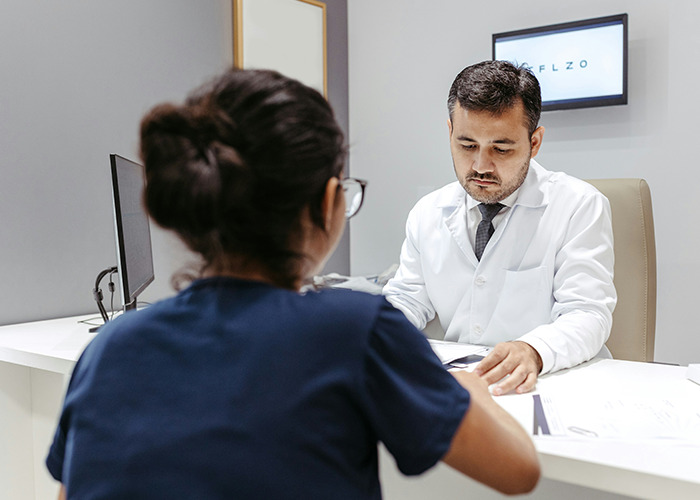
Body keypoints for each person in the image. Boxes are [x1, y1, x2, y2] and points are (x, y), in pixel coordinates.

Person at [46, 68, 539, 499]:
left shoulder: (110, 347)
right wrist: (469, 391)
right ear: (329, 203)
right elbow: (519, 470)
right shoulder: (355, 331)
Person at [383, 60, 616, 396]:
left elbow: (587, 313)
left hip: (554, 382)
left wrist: (533, 350)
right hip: (462, 382)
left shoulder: (578, 206)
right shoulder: (428, 212)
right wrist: (376, 333)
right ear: (449, 132)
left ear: (534, 143)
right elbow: (407, 299)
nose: (480, 166)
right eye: (467, 146)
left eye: (501, 149)